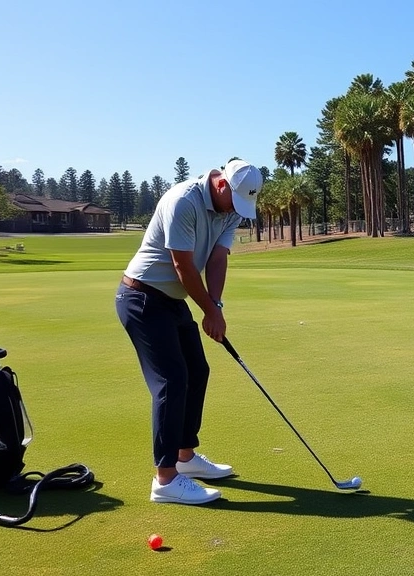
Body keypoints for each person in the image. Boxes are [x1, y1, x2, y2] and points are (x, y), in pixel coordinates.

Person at [115, 159, 262, 505]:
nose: (235, 212)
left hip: (172, 301)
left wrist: (217, 306)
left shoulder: (231, 207)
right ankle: (165, 480)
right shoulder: (183, 200)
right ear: (222, 184)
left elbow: (217, 258)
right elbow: (182, 263)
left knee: (197, 370)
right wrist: (208, 311)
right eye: (235, 202)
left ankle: (185, 456)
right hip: (142, 297)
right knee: (171, 380)